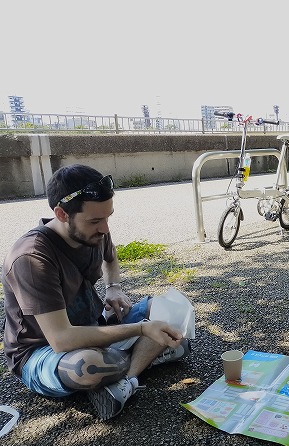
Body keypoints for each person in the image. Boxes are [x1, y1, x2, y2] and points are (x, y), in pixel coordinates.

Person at [2, 164, 191, 420]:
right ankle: (146, 355)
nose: (104, 228)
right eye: (95, 220)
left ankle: (127, 378)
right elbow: (61, 339)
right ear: (61, 214)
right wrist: (141, 330)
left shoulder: (93, 232)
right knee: (89, 366)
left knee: (172, 308)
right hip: (42, 352)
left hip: (94, 324)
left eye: (108, 217)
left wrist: (113, 288)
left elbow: (110, 259)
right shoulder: (32, 257)